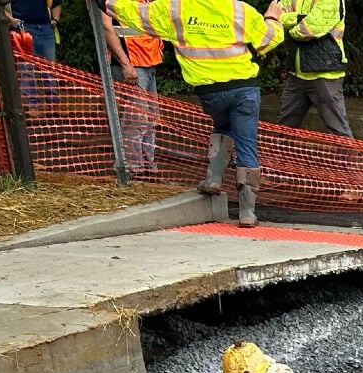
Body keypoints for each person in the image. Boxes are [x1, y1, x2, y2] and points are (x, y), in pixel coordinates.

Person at [108, 0, 283, 227]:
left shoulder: (177, 9)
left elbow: (134, 12)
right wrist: (272, 19)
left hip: (210, 93)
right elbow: (268, 40)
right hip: (244, 89)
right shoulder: (240, 9)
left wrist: (105, 3)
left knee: (222, 126)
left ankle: (213, 179)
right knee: (247, 146)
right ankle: (247, 213)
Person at [274, 0, 351, 138]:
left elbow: (310, 29)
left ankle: (349, 160)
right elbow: (276, 16)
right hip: (297, 74)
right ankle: (279, 159)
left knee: (338, 131)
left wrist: (291, 24)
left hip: (324, 74)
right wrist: (299, 18)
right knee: (284, 129)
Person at [101, 9, 163, 173]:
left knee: (149, 119)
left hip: (147, 62)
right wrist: (125, 64)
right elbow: (107, 27)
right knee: (136, 120)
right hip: (133, 64)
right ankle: (132, 166)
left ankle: (146, 163)